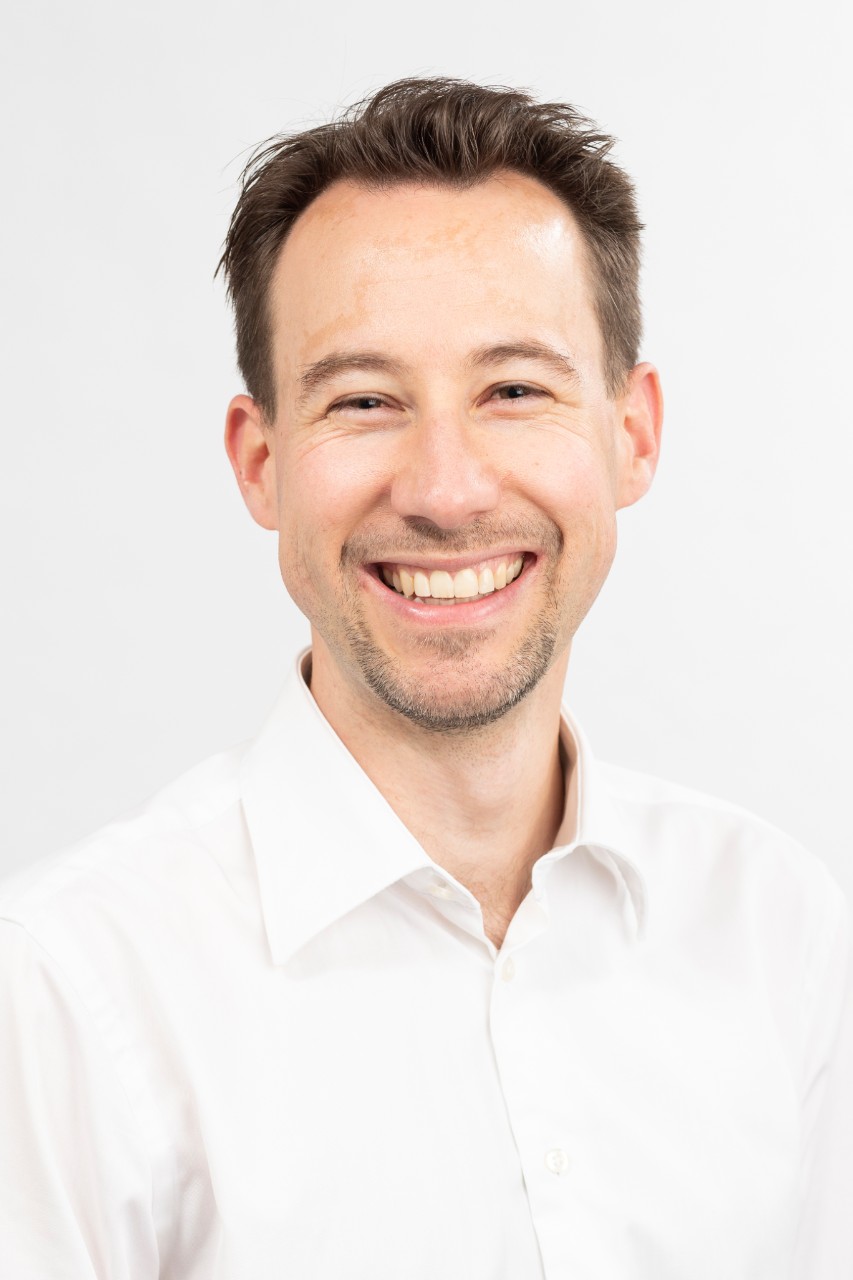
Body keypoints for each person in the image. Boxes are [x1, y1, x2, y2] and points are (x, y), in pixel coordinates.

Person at [0, 77, 848, 1279]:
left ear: (631, 434)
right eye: (363, 401)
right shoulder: (65, 994)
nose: (446, 489)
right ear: (261, 462)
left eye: (514, 388)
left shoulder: (778, 927)